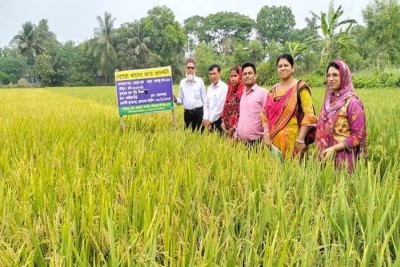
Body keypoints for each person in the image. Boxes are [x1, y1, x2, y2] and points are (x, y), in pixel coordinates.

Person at [261, 54, 317, 158]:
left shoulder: (300, 88)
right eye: (280, 66)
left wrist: (300, 140)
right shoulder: (274, 90)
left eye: (286, 65)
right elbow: (265, 113)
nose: (283, 68)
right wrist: (266, 132)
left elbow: (309, 116)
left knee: (293, 171)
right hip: (272, 143)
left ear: (292, 68)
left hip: (294, 142)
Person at [316, 59, 367, 172]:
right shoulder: (328, 102)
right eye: (328, 75)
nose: (330, 79)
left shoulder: (352, 102)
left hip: (343, 159)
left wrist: (333, 149)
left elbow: (357, 136)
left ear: (344, 77)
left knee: (341, 189)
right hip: (324, 157)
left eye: (335, 75)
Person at [234, 62, 268, 147]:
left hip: (257, 143)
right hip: (241, 142)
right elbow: (242, 117)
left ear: (255, 76)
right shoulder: (243, 95)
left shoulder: (262, 93)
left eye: (250, 73)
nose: (247, 76)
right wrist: (236, 133)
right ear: (241, 78)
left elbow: (268, 116)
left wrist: (266, 137)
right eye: (245, 74)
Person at [174, 58, 207, 132]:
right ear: (185, 69)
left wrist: (205, 115)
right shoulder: (182, 82)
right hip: (187, 113)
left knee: (199, 134)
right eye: (188, 67)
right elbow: (181, 99)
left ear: (195, 69)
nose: (190, 69)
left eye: (192, 68)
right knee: (188, 134)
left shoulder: (200, 81)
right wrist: (176, 100)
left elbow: (205, 99)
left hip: (198, 112)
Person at [203, 64, 228, 132]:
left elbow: (220, 108)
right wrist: (205, 118)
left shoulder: (224, 87)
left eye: (214, 73)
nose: (212, 76)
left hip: (219, 122)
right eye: (210, 74)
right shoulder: (209, 88)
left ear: (219, 73)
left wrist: (210, 121)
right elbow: (206, 105)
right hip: (208, 122)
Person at [221, 65, 244, 137]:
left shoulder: (244, 91)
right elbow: (225, 106)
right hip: (226, 128)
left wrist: (234, 128)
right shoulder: (230, 90)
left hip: (238, 130)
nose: (233, 79)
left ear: (240, 76)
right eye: (231, 76)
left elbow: (244, 113)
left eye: (235, 76)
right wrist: (223, 122)